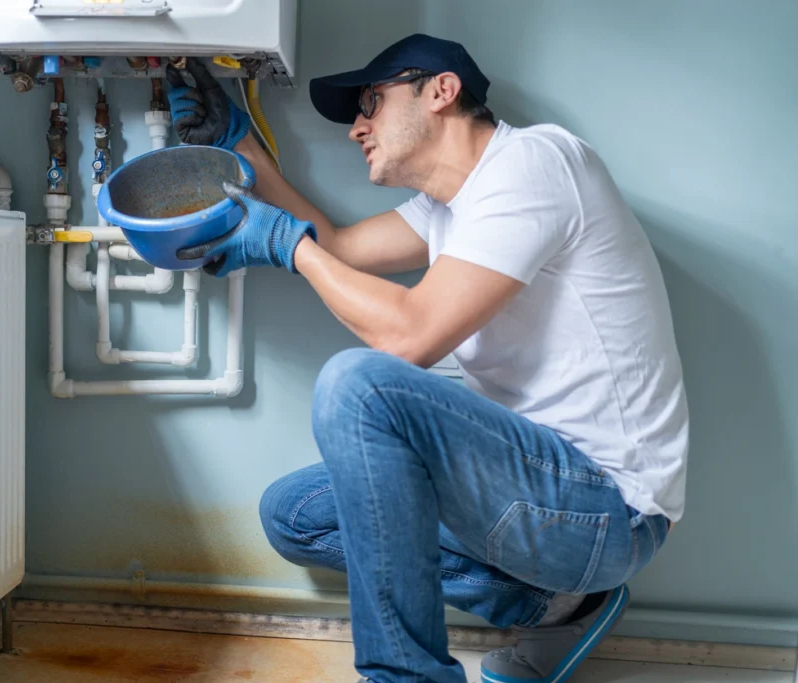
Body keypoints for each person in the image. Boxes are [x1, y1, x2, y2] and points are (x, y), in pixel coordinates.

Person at [165, 33, 689, 683]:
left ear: (441, 90)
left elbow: (409, 336)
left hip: (605, 509)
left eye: (370, 102)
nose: (357, 127)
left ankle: (404, 676)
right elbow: (341, 244)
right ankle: (558, 606)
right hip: (531, 491)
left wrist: (289, 248)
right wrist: (240, 143)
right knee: (293, 516)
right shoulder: (448, 210)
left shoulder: (534, 163)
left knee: (360, 383)